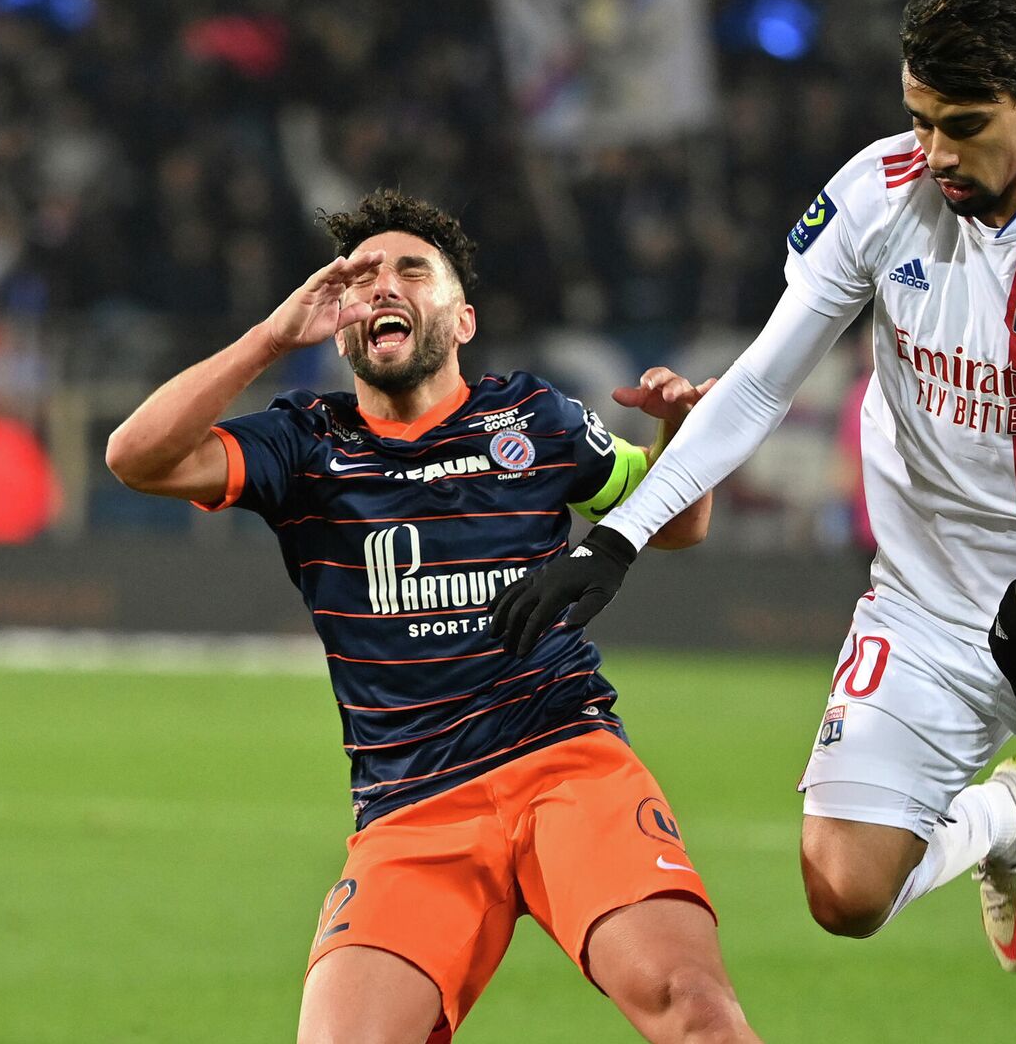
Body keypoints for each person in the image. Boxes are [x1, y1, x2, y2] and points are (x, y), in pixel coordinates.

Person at [492, 0, 1016, 1042]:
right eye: (920, 119)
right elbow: (758, 383)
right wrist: (620, 535)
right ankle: (1000, 817)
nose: (936, 152)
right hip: (926, 606)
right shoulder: (884, 194)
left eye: (964, 127)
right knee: (843, 892)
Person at [106, 189, 759, 1044]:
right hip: (413, 808)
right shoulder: (302, 444)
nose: (383, 286)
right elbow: (134, 457)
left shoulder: (535, 418)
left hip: (566, 764)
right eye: (362, 275)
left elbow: (678, 524)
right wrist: (270, 337)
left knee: (696, 1011)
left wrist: (679, 436)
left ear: (463, 317)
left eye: (412, 270)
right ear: (339, 325)